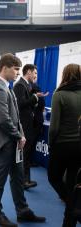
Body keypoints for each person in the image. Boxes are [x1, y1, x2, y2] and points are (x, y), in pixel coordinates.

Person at [0, 53, 46, 227]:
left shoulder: (6, 87)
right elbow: (4, 120)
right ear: (4, 68)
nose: (18, 73)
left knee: (18, 178)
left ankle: (23, 211)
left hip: (13, 141)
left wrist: (21, 136)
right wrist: (19, 135)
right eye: (16, 69)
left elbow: (14, 116)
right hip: (4, 143)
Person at [48, 63, 81, 227]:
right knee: (72, 185)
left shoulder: (59, 95)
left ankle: (74, 206)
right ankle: (72, 215)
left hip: (62, 145)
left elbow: (53, 127)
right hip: (79, 146)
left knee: (53, 177)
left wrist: (50, 144)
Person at [13, 64, 48, 189]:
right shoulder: (19, 85)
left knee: (27, 154)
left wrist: (36, 99)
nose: (36, 76)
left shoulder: (26, 85)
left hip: (28, 124)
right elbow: (20, 104)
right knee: (25, 154)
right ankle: (23, 181)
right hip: (24, 125)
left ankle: (25, 180)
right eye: (35, 73)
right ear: (28, 72)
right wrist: (35, 97)